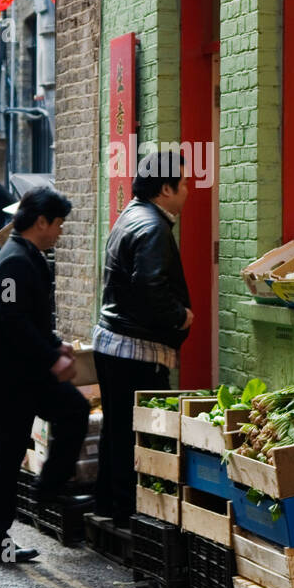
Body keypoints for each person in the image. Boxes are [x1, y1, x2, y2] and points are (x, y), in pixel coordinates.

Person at [0, 186, 90, 565]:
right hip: (8, 378)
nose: (60, 232)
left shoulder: (30, 256)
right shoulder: (13, 262)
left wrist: (56, 346)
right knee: (5, 456)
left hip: (25, 372)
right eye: (57, 224)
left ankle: (48, 489)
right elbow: (13, 323)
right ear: (41, 221)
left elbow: (31, 321)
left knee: (73, 410)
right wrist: (51, 357)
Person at [92, 152, 193, 527]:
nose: (187, 192)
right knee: (136, 433)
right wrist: (181, 317)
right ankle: (129, 515)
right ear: (165, 189)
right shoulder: (153, 228)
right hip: (136, 349)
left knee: (116, 429)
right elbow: (149, 286)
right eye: (183, 184)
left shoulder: (131, 216)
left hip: (113, 343)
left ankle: (109, 506)